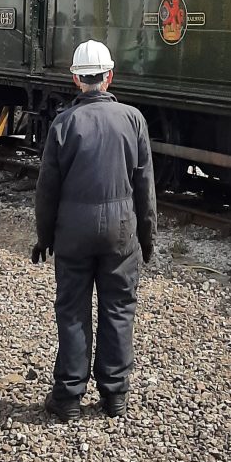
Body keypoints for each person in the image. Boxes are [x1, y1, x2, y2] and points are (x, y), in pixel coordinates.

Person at [32, 40, 157, 421]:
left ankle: (68, 398)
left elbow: (46, 190)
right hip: (121, 232)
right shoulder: (133, 119)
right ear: (110, 76)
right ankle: (114, 395)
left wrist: (44, 237)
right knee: (119, 308)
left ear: (75, 79)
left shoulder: (63, 124)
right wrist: (147, 238)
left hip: (73, 231)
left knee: (72, 310)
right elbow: (145, 186)